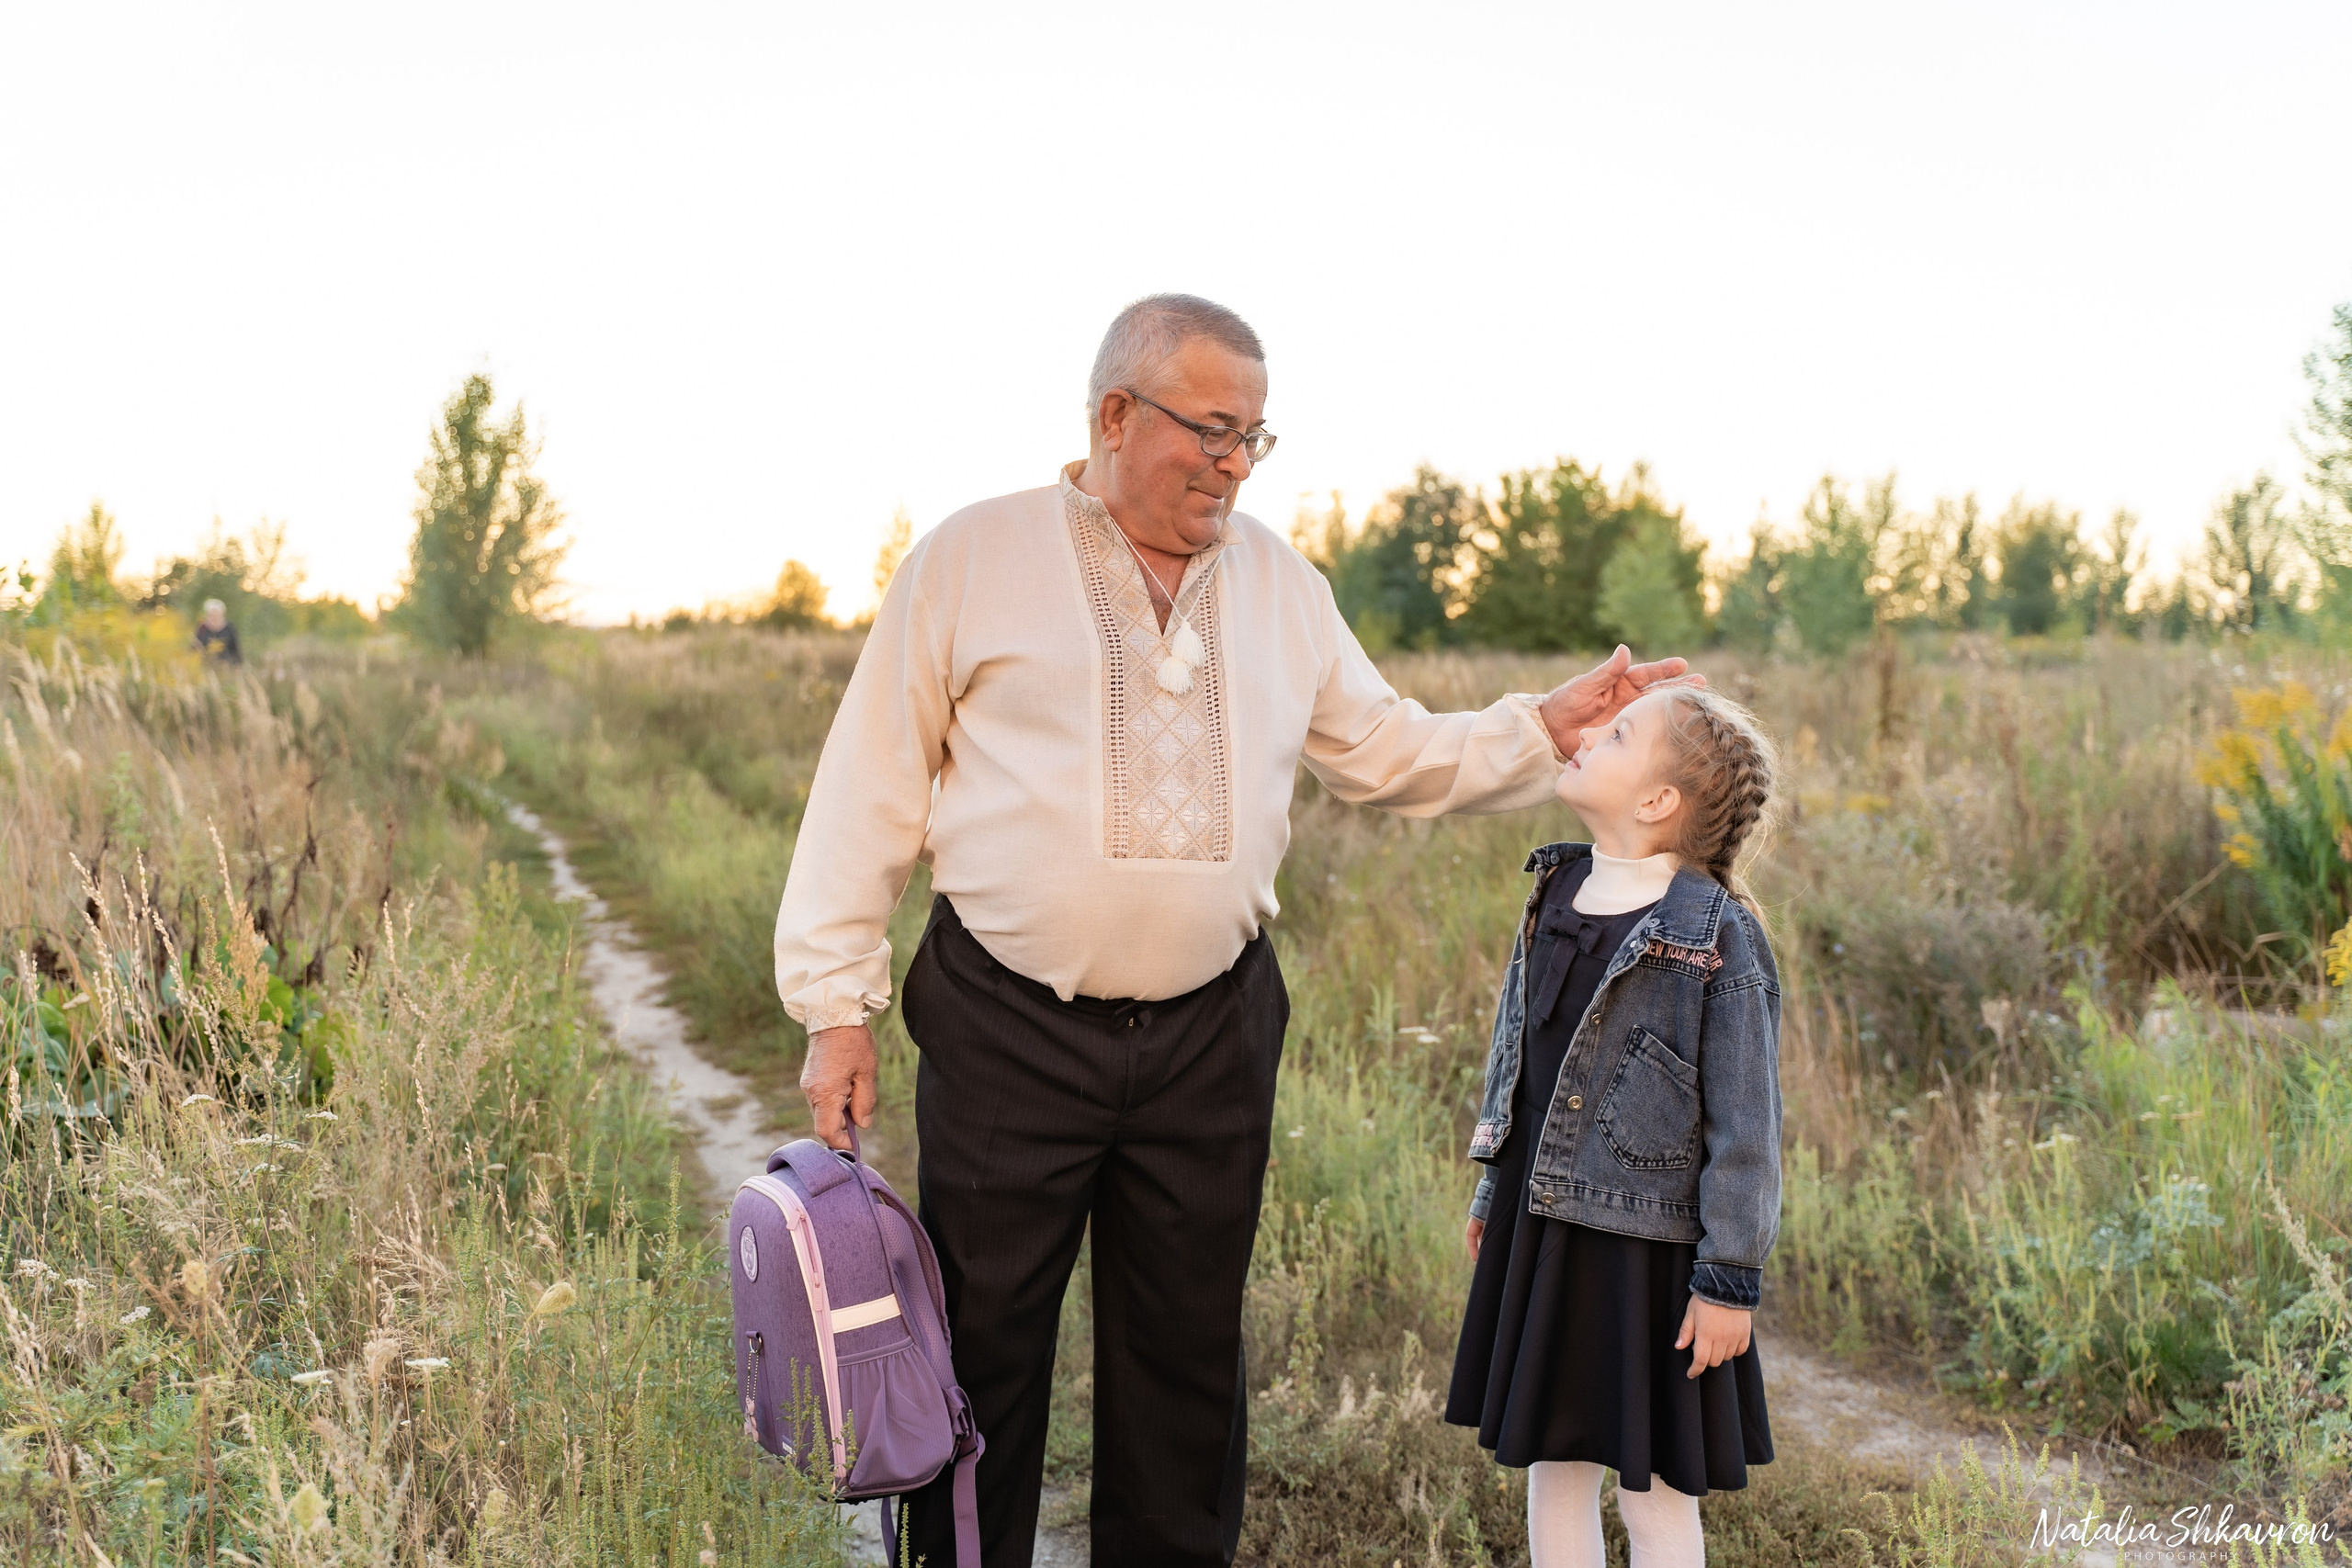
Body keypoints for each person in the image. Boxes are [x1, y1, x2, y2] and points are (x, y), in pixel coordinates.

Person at [773, 292, 1702, 1568]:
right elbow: (867, 786)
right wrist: (836, 1007)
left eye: (1254, 437)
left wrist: (1540, 726)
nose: (1234, 463)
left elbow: (1385, 749)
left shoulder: (1279, 582)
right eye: (1211, 430)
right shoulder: (971, 559)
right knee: (980, 1354)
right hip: (1006, 1026)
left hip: (1212, 1033)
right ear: (1114, 413)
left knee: (1187, 1361)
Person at [1445, 683, 1782, 1568]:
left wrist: (1729, 1280)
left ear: (1657, 800)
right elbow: (1521, 1053)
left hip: (1648, 1248)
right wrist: (1493, 1181)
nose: (1591, 731)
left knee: (1652, 1484)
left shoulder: (1714, 935)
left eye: (1620, 732)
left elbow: (1747, 1127)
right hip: (1543, 1219)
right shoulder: (1556, 888)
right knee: (1554, 1461)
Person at [193, 598, 242, 664]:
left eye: (217, 614)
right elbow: (194, 648)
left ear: (223, 614)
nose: (214, 617)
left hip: (226, 665)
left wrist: (238, 665)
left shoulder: (229, 628)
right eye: (211, 614)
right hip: (205, 665)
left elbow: (236, 650)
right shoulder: (202, 628)